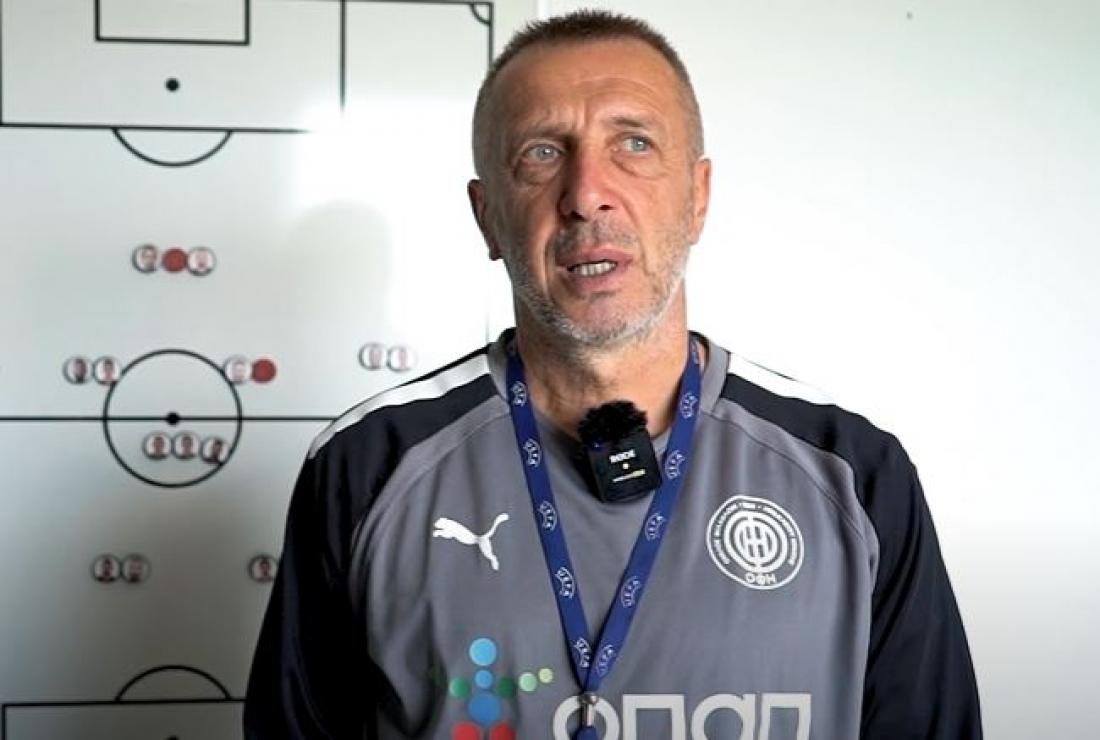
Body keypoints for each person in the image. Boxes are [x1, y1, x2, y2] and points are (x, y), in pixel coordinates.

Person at [244, 10, 981, 740]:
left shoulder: (854, 472)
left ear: (698, 196)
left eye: (633, 143)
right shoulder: (367, 465)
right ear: (487, 217)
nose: (586, 193)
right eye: (540, 153)